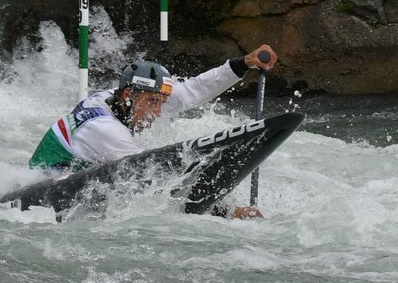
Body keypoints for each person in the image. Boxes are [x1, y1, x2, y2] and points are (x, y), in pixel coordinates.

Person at [27, 47, 279, 219]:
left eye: (160, 103)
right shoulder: (105, 130)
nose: (158, 112)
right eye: (152, 102)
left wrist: (243, 63)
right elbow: (158, 182)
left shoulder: (116, 97)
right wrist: (227, 211)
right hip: (42, 195)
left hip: (72, 177)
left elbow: (192, 91)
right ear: (128, 95)